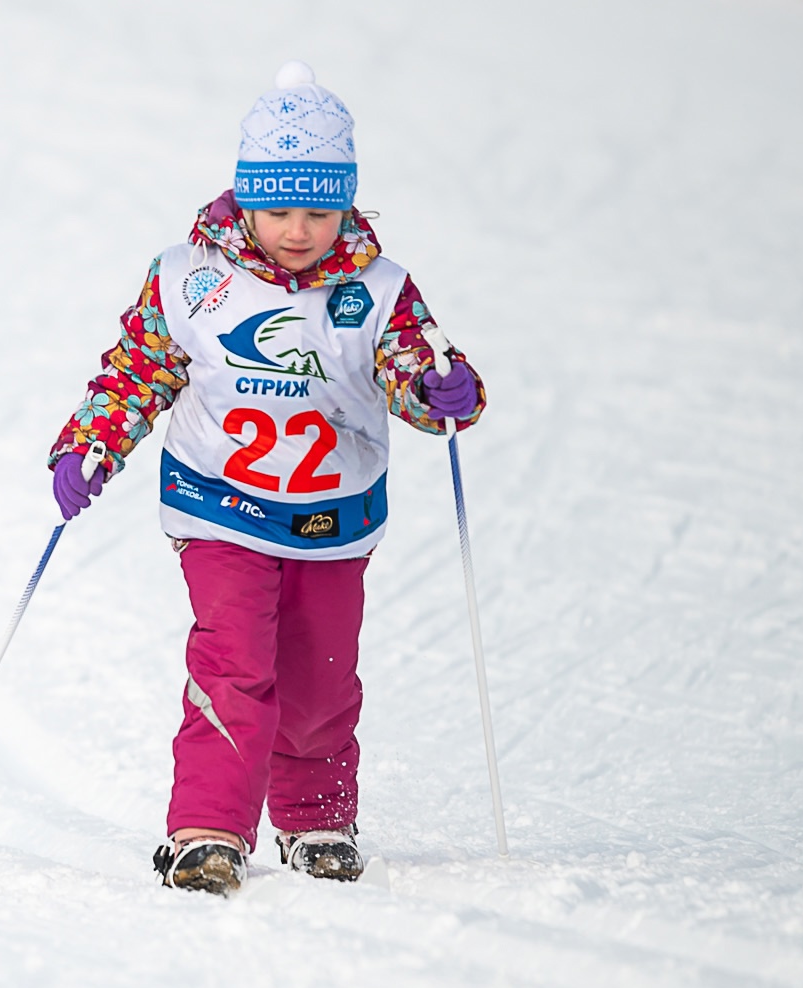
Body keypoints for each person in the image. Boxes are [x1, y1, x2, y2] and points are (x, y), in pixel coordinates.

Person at [48, 63, 484, 896]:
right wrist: (91, 445)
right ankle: (206, 828)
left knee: (320, 675)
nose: (297, 230)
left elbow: (415, 368)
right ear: (245, 195)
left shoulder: (376, 289)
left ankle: (316, 816)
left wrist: (441, 389)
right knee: (235, 662)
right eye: (278, 209)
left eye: (319, 211)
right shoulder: (191, 278)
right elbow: (138, 370)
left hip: (332, 516)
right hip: (220, 507)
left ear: (346, 203)